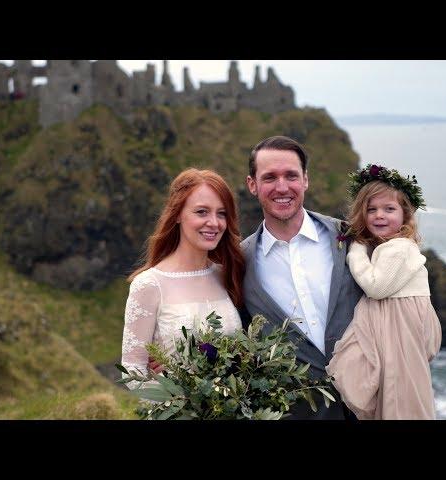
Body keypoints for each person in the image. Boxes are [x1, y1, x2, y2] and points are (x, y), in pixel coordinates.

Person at [241, 136, 363, 420]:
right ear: (252, 185)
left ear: (305, 180)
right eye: (269, 177)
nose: (282, 187)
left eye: (291, 176)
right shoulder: (238, 262)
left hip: (372, 403)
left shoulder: (351, 237)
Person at [325, 164, 442, 419]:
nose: (380, 215)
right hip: (392, 321)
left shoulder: (399, 247)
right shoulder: (386, 247)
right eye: (372, 210)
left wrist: (355, 250)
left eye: (389, 209)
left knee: (399, 395)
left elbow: (376, 287)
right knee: (390, 390)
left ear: (405, 215)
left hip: (399, 324)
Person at [121, 168, 246, 389]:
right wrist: (182, 396)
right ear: (178, 213)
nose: (214, 223)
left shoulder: (225, 274)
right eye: (201, 212)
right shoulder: (149, 285)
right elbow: (133, 372)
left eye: (222, 213)